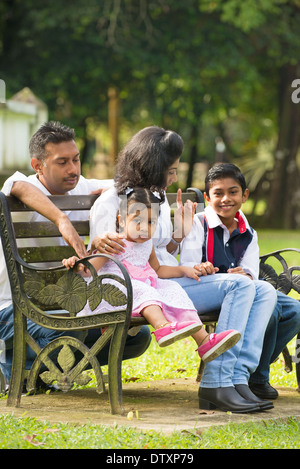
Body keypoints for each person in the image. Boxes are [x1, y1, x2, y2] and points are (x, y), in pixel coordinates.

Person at [88, 125, 277, 413]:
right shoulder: (113, 201)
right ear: (151, 166)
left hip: (166, 279)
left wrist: (178, 235)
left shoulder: (158, 199)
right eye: (171, 170)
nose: (175, 177)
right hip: (140, 288)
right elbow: (110, 258)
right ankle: (217, 383)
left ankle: (238, 379)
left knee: (263, 289)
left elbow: (158, 253)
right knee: (239, 285)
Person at [0, 121, 151, 386]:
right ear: (38, 166)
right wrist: (61, 219)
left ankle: (25, 370)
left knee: (136, 336)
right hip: (8, 308)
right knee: (64, 332)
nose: (73, 170)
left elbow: (127, 186)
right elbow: (17, 185)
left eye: (76, 160)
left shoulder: (83, 187)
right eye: (62, 162)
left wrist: (104, 226)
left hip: (62, 306)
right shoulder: (19, 186)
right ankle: (20, 371)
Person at [63, 187, 241, 362]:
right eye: (137, 220)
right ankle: (162, 327)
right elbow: (90, 270)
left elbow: (157, 270)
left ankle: (203, 340)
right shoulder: (115, 242)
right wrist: (76, 265)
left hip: (138, 291)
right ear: (122, 220)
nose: (144, 228)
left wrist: (182, 270)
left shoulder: (147, 245)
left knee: (173, 290)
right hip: (112, 291)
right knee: (143, 289)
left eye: (151, 222)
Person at [180, 163, 299, 410]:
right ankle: (244, 377)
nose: (226, 199)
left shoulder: (248, 231)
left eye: (233, 192)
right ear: (207, 197)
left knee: (287, 305)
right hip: (202, 288)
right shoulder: (198, 224)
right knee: (266, 300)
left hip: (239, 289)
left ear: (244, 195)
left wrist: (244, 273)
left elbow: (251, 272)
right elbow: (187, 265)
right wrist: (203, 267)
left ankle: (244, 376)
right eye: (218, 193)